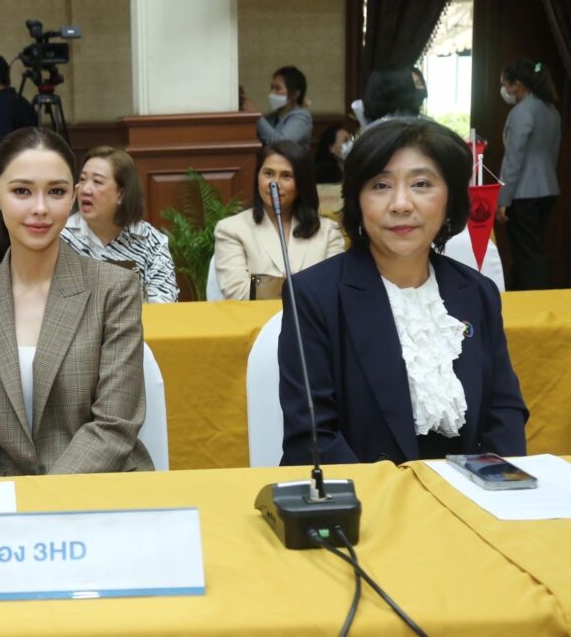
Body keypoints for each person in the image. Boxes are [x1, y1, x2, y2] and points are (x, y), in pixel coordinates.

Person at [279, 119, 529, 465]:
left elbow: (504, 413)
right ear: (357, 201)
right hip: (365, 492)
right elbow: (312, 438)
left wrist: (495, 486)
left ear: (450, 200)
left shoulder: (478, 292)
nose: (401, 204)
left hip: (468, 493)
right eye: (380, 185)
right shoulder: (313, 295)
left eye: (421, 184)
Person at [0, 127, 154, 477]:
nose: (40, 208)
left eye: (56, 192)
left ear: (73, 196)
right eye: (22, 191)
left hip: (98, 489)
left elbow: (114, 424)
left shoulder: (114, 290)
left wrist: (44, 500)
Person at [213, 141, 344, 300]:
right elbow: (237, 291)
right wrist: (291, 286)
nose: (274, 184)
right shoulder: (231, 229)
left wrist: (275, 286)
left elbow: (334, 289)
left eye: (286, 176)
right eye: (268, 174)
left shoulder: (328, 231)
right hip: (257, 316)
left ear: (302, 183)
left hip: (312, 316)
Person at [60, 146, 178, 303]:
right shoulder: (60, 238)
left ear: (121, 194)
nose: (85, 189)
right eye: (82, 179)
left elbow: (164, 305)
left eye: (97, 182)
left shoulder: (151, 242)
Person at [496, 58, 561, 290]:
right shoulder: (551, 109)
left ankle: (532, 302)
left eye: (505, 84)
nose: (504, 90)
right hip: (548, 190)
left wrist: (503, 199)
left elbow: (514, 158)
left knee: (526, 255)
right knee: (534, 249)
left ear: (518, 85)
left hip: (524, 194)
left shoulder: (522, 111)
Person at [247, 66, 313, 149]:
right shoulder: (271, 118)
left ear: (295, 94)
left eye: (277, 88)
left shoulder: (301, 118)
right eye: (272, 88)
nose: (272, 93)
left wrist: (256, 115)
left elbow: (281, 144)